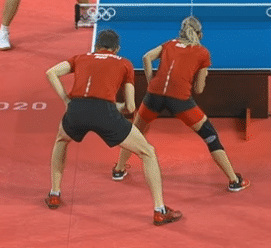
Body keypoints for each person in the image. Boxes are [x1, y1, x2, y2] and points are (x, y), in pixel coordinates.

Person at [44, 29, 182, 226]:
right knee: (148, 152)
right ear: (116, 49)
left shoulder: (80, 58)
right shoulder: (124, 63)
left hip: (76, 109)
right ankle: (160, 210)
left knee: (62, 140)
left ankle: (54, 194)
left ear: (96, 46)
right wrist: (118, 106)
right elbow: (131, 107)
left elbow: (51, 72)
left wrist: (67, 100)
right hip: (105, 113)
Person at [112, 17, 250, 192]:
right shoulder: (203, 53)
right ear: (199, 34)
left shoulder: (169, 44)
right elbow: (198, 89)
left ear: (182, 32)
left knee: (135, 133)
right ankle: (234, 180)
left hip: (153, 96)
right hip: (180, 100)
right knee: (210, 136)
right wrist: (202, 76)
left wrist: (151, 81)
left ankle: (119, 170)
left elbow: (146, 57)